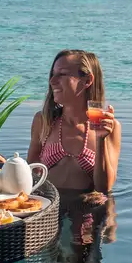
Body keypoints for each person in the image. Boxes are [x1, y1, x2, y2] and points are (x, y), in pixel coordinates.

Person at [27, 50, 121, 194]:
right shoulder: (44, 121)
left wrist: (100, 139)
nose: (52, 81)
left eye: (62, 74)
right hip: (49, 210)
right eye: (53, 74)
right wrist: (6, 167)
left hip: (90, 210)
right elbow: (30, 177)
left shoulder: (110, 128)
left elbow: (104, 188)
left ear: (87, 81)